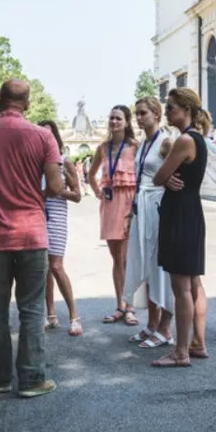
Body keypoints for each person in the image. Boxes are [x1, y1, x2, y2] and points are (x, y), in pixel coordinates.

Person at [0, 79, 63, 398]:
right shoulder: (44, 135)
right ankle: (33, 379)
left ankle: (1, 378)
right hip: (32, 233)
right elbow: (54, 185)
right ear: (29, 104)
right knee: (32, 308)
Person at [151, 87, 211, 367]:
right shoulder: (196, 139)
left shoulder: (184, 140)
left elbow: (158, 176)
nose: (168, 111)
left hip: (180, 213)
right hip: (191, 211)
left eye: (172, 107)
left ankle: (181, 351)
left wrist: (166, 177)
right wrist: (167, 177)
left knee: (181, 287)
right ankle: (196, 344)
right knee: (194, 283)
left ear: (186, 110)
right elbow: (165, 176)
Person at [123, 97, 175, 348]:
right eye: (137, 113)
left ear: (157, 114)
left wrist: (168, 182)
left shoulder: (165, 142)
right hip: (140, 209)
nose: (139, 117)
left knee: (159, 267)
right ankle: (152, 324)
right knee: (145, 266)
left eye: (143, 113)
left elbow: (176, 173)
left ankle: (165, 328)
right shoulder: (144, 143)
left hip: (156, 209)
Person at [87, 105, 139, 327]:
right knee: (116, 259)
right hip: (109, 204)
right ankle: (119, 305)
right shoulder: (102, 148)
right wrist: (98, 191)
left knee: (127, 259)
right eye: (111, 118)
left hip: (128, 203)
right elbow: (90, 175)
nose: (114, 122)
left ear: (126, 122)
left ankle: (130, 307)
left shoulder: (135, 147)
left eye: (118, 118)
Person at [38, 121, 83, 337]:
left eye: (49, 134)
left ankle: (74, 316)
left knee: (56, 266)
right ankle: (51, 315)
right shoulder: (34, 163)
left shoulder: (65, 162)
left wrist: (56, 191)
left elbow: (77, 196)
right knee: (44, 267)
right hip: (36, 215)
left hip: (56, 216)